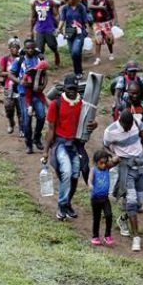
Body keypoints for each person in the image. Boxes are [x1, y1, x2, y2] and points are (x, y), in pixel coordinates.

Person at [43, 74, 98, 220]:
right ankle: (61, 206)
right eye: (69, 89)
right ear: (64, 89)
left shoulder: (83, 104)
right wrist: (45, 151)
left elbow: (89, 122)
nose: (72, 91)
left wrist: (94, 125)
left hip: (76, 145)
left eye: (74, 88)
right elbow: (50, 129)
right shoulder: (56, 104)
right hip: (61, 144)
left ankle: (67, 203)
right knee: (66, 173)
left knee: (75, 176)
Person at [104, 110, 143, 252]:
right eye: (126, 126)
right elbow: (105, 147)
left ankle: (123, 219)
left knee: (139, 202)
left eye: (130, 126)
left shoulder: (137, 123)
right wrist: (114, 155)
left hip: (141, 166)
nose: (128, 128)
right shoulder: (110, 131)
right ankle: (136, 237)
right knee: (131, 201)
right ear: (120, 121)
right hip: (127, 167)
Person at [8, 39, 47, 154]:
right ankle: (28, 144)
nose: (30, 50)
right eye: (27, 48)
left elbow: (45, 75)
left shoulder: (39, 59)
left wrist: (43, 86)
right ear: (24, 49)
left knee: (41, 116)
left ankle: (37, 138)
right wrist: (20, 82)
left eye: (32, 48)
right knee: (26, 120)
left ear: (35, 48)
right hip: (24, 94)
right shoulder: (20, 60)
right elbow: (10, 74)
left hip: (37, 93)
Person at [88, 149, 119, 246]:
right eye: (101, 163)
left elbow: (115, 160)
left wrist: (116, 154)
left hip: (105, 198)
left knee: (109, 215)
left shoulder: (107, 168)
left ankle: (107, 235)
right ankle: (95, 236)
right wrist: (90, 185)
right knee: (96, 218)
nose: (103, 165)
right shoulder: (93, 170)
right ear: (96, 162)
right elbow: (89, 180)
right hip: (95, 199)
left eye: (105, 163)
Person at [58, 0, 90, 79]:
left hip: (79, 32)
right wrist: (58, 29)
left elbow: (85, 20)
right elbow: (62, 20)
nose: (70, 1)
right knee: (73, 53)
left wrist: (88, 29)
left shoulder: (81, 7)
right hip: (69, 32)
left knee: (76, 51)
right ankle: (78, 71)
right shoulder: (65, 8)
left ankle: (78, 71)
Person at [30, 0, 61, 67]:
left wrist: (58, 27)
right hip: (39, 29)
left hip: (49, 28)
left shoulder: (50, 2)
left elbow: (56, 15)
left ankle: (56, 53)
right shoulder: (35, 3)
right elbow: (33, 17)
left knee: (52, 45)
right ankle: (42, 65)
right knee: (39, 49)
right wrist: (31, 30)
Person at [0, 37, 23, 135]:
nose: (15, 49)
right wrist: (9, 74)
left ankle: (22, 128)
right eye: (13, 47)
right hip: (9, 86)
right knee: (9, 107)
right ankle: (11, 122)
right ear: (9, 48)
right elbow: (0, 72)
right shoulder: (5, 59)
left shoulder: (22, 59)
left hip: (20, 86)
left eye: (17, 47)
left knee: (20, 109)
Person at [88, 0, 117, 65]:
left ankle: (111, 53)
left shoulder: (109, 0)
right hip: (97, 23)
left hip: (106, 22)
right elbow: (89, 6)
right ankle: (98, 58)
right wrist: (100, 7)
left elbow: (113, 10)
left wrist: (115, 22)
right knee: (98, 40)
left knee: (109, 39)